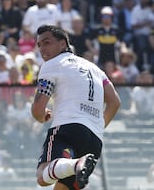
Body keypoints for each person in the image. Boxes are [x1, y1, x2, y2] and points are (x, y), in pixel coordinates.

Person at [31, 25, 121, 189]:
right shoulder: (95, 69)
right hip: (94, 140)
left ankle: (76, 164)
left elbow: (37, 110)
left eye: (47, 42)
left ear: (63, 44)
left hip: (67, 129)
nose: (42, 49)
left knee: (42, 176)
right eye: (39, 45)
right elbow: (115, 102)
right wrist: (98, 126)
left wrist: (41, 115)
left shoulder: (52, 65)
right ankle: (77, 164)